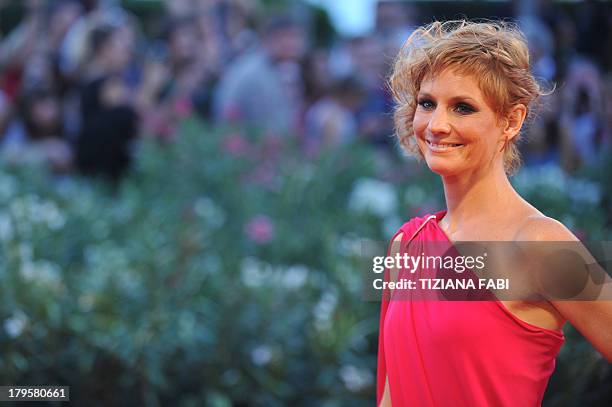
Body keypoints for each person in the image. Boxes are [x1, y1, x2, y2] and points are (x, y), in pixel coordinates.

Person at [377, 20, 612, 407]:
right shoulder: (408, 243)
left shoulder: (540, 243)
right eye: (427, 103)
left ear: (511, 121)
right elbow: (392, 394)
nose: (437, 124)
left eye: (463, 107)